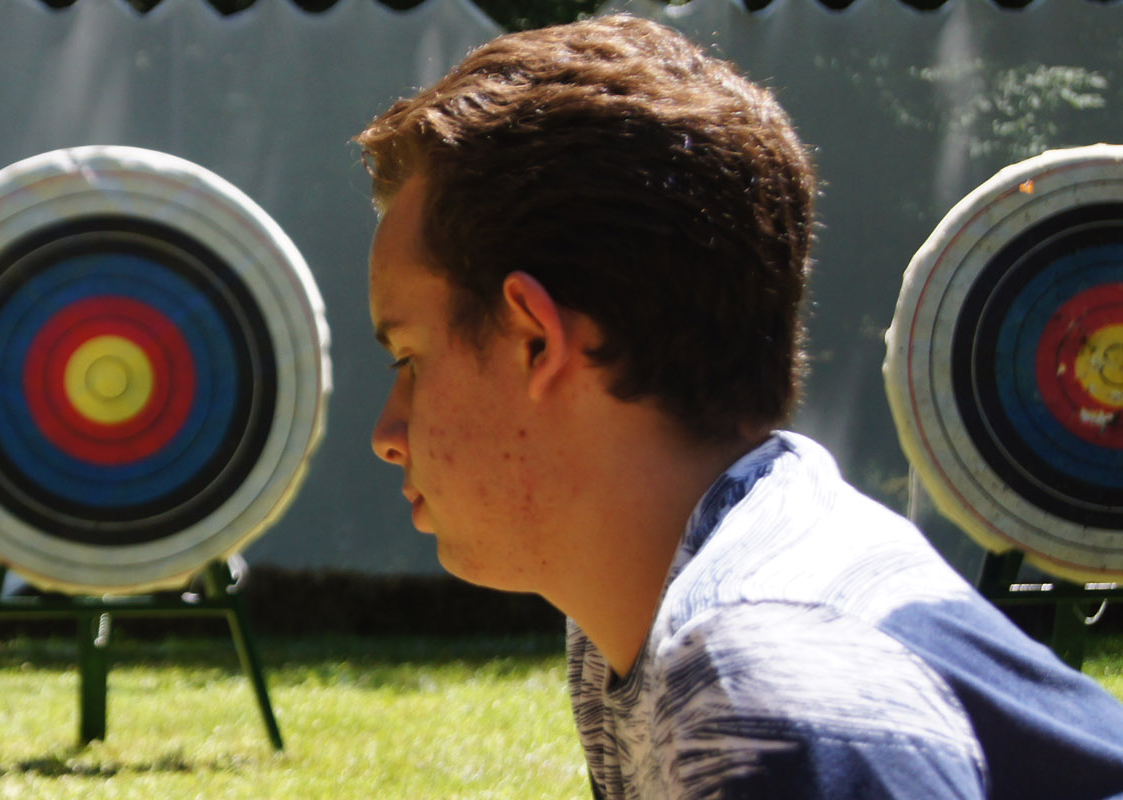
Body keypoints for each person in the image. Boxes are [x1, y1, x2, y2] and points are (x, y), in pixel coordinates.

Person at [356, 15, 1123, 799]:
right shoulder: (648, 609)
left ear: (536, 341)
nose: (387, 435)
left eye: (411, 359)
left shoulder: (767, 672)